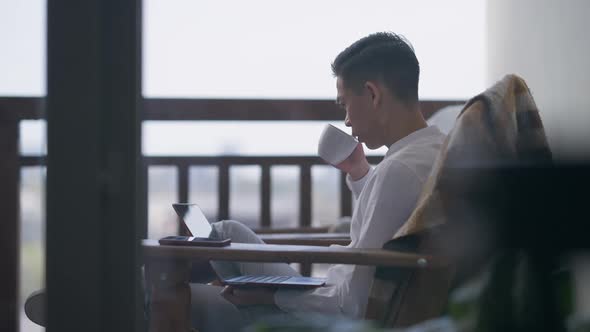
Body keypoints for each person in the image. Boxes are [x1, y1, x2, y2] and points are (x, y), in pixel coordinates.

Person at [189, 31, 446, 331]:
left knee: (179, 291)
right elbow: (387, 217)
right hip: (327, 293)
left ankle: (186, 290)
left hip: (326, 317)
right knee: (226, 232)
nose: (347, 121)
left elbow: (351, 305)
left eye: (345, 104)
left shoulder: (399, 170)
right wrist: (359, 172)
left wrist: (272, 297)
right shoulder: (433, 151)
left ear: (373, 94)